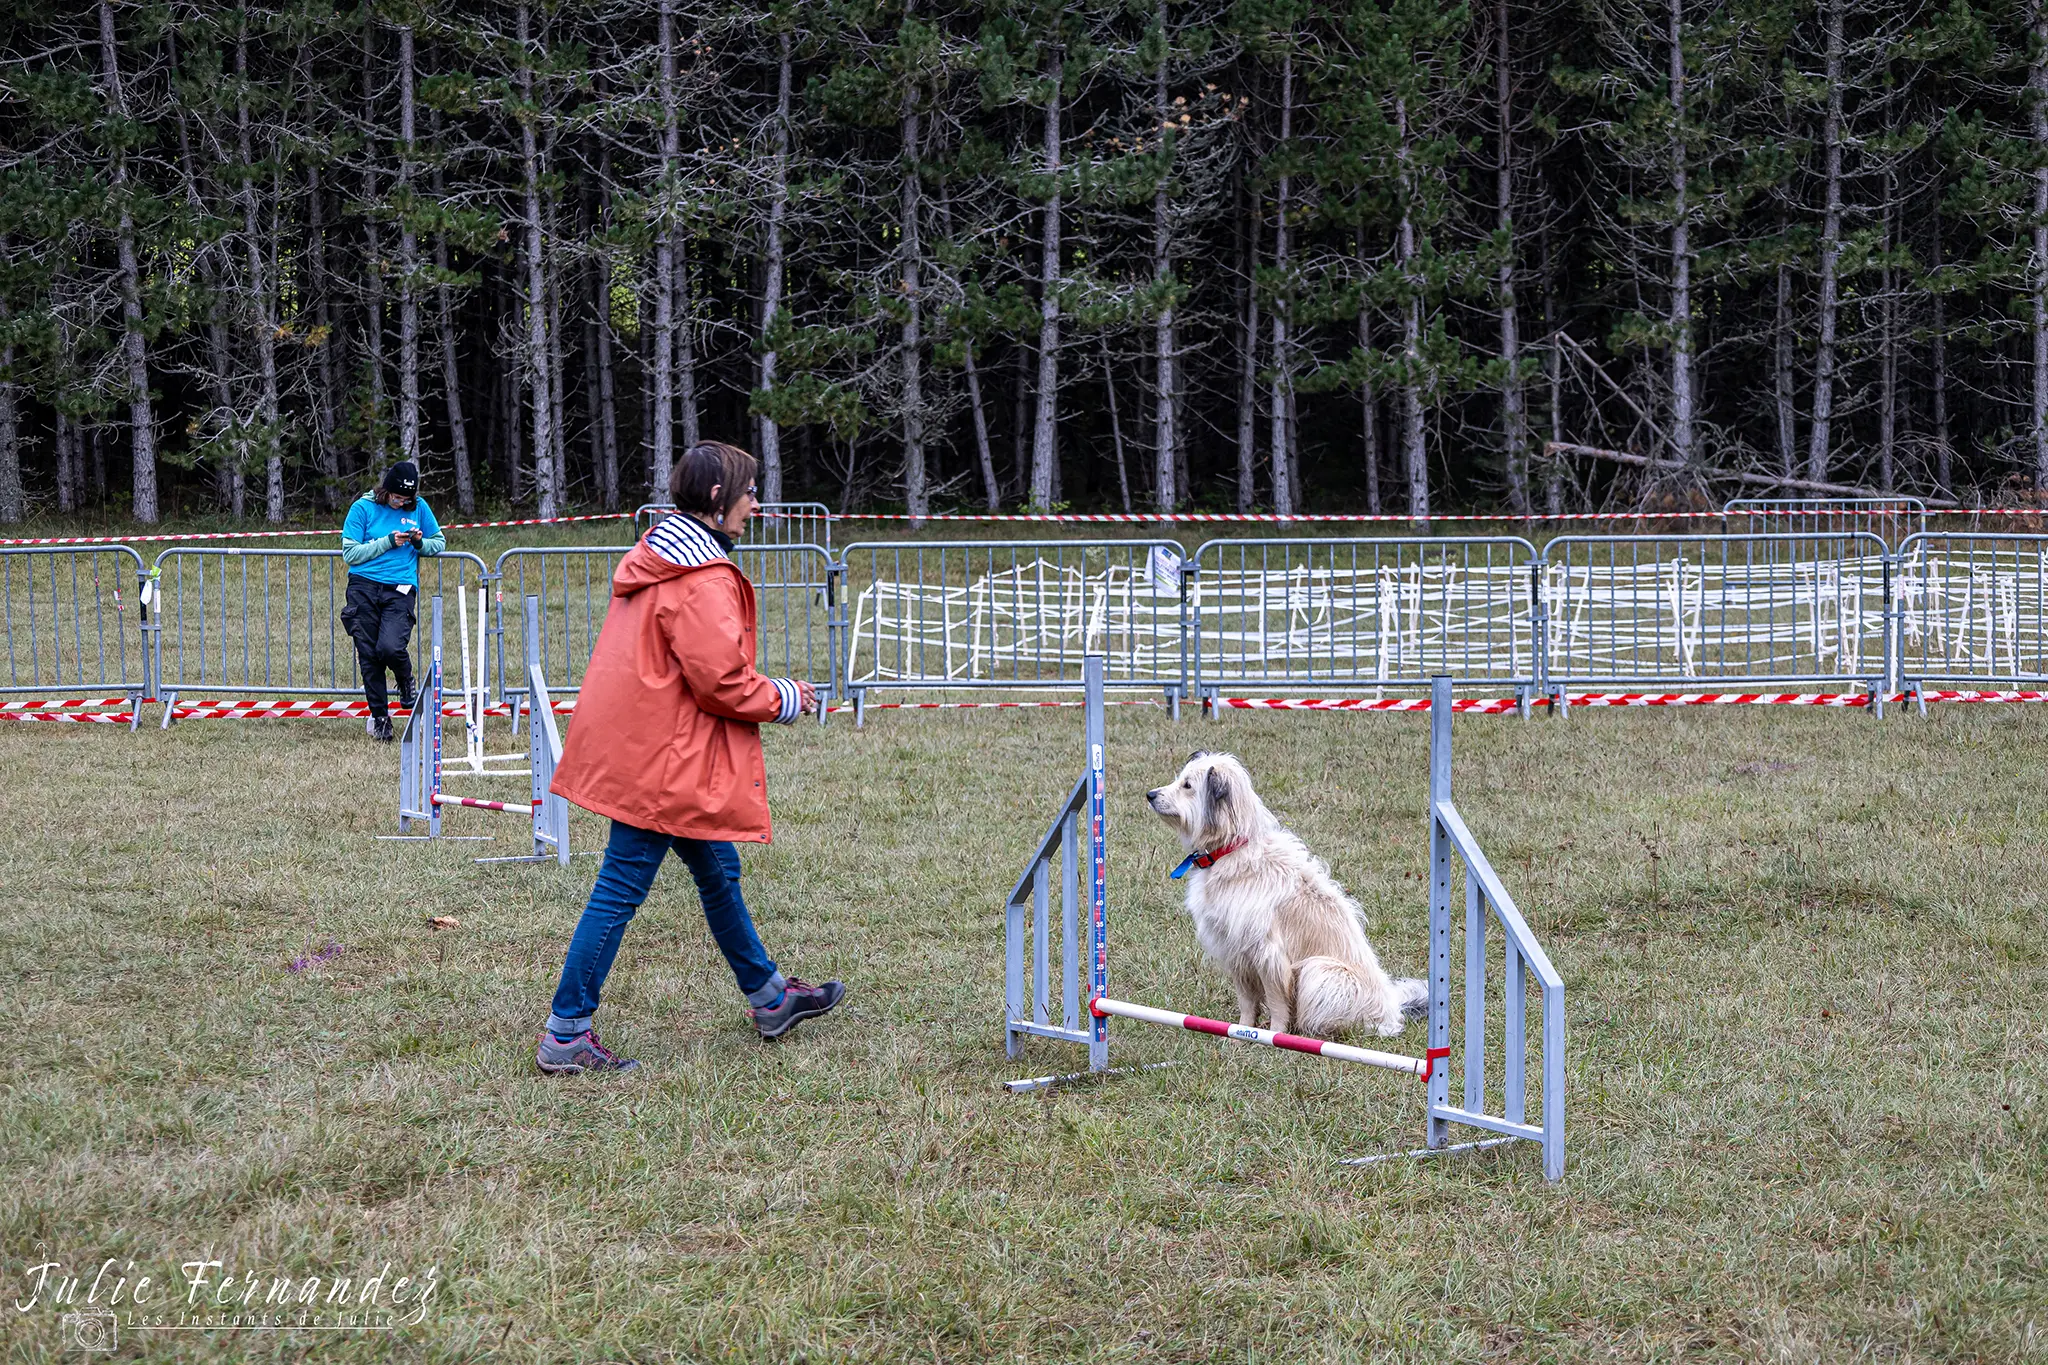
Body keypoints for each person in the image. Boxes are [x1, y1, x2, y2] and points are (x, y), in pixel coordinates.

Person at [535, 440, 842, 1074]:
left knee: (717, 870)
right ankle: (566, 1032)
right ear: (715, 499)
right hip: (665, 761)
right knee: (619, 889)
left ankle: (769, 997)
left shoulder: (658, 559)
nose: (754, 505)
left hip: (656, 749)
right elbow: (721, 682)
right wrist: (786, 696)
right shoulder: (700, 579)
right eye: (749, 492)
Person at [340, 460, 444, 742]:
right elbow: (350, 553)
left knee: (390, 646)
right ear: (386, 491)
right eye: (397, 497)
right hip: (363, 585)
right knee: (369, 655)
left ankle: (405, 680)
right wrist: (387, 542)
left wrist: (420, 543)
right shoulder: (362, 508)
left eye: (406, 499)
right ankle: (380, 718)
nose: (400, 503)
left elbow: (439, 543)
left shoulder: (419, 508)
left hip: (400, 587)